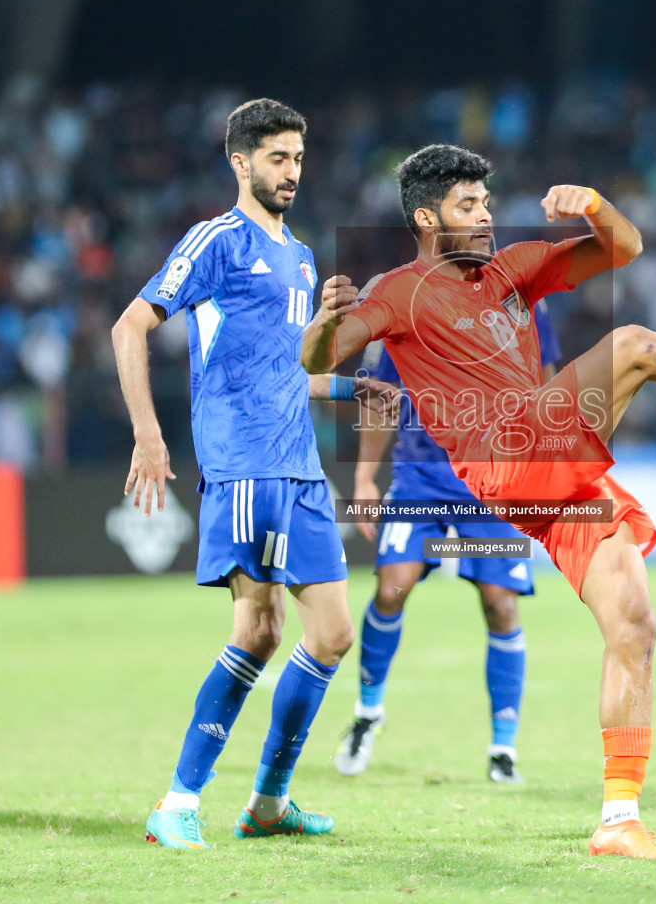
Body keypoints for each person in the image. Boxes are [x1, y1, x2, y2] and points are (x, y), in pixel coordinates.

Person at [302, 144, 656, 859]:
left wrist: (593, 205)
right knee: (634, 346)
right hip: (500, 455)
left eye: (486, 202)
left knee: (634, 626)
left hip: (547, 472)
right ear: (427, 218)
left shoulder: (513, 267)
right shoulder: (396, 290)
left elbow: (625, 246)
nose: (485, 215)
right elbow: (319, 360)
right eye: (467, 206)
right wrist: (329, 320)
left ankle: (618, 818)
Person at [114, 98, 391, 849]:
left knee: (327, 634)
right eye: (277, 158)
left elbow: (287, 372)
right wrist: (147, 433)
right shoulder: (216, 241)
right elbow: (130, 324)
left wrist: (344, 377)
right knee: (260, 630)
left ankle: (268, 802)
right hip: (244, 468)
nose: (292, 172)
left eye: (299, 158)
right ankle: (178, 802)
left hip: (300, 468)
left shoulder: (301, 256)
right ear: (240, 162)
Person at [336, 299, 562, 783]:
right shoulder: (413, 302)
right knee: (392, 587)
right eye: (468, 216)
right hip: (420, 482)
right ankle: (367, 712)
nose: (480, 223)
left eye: (484, 218)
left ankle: (504, 749)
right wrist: (364, 477)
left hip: (495, 485)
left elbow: (547, 385)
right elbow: (383, 396)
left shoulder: (524, 307)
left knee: (501, 604)